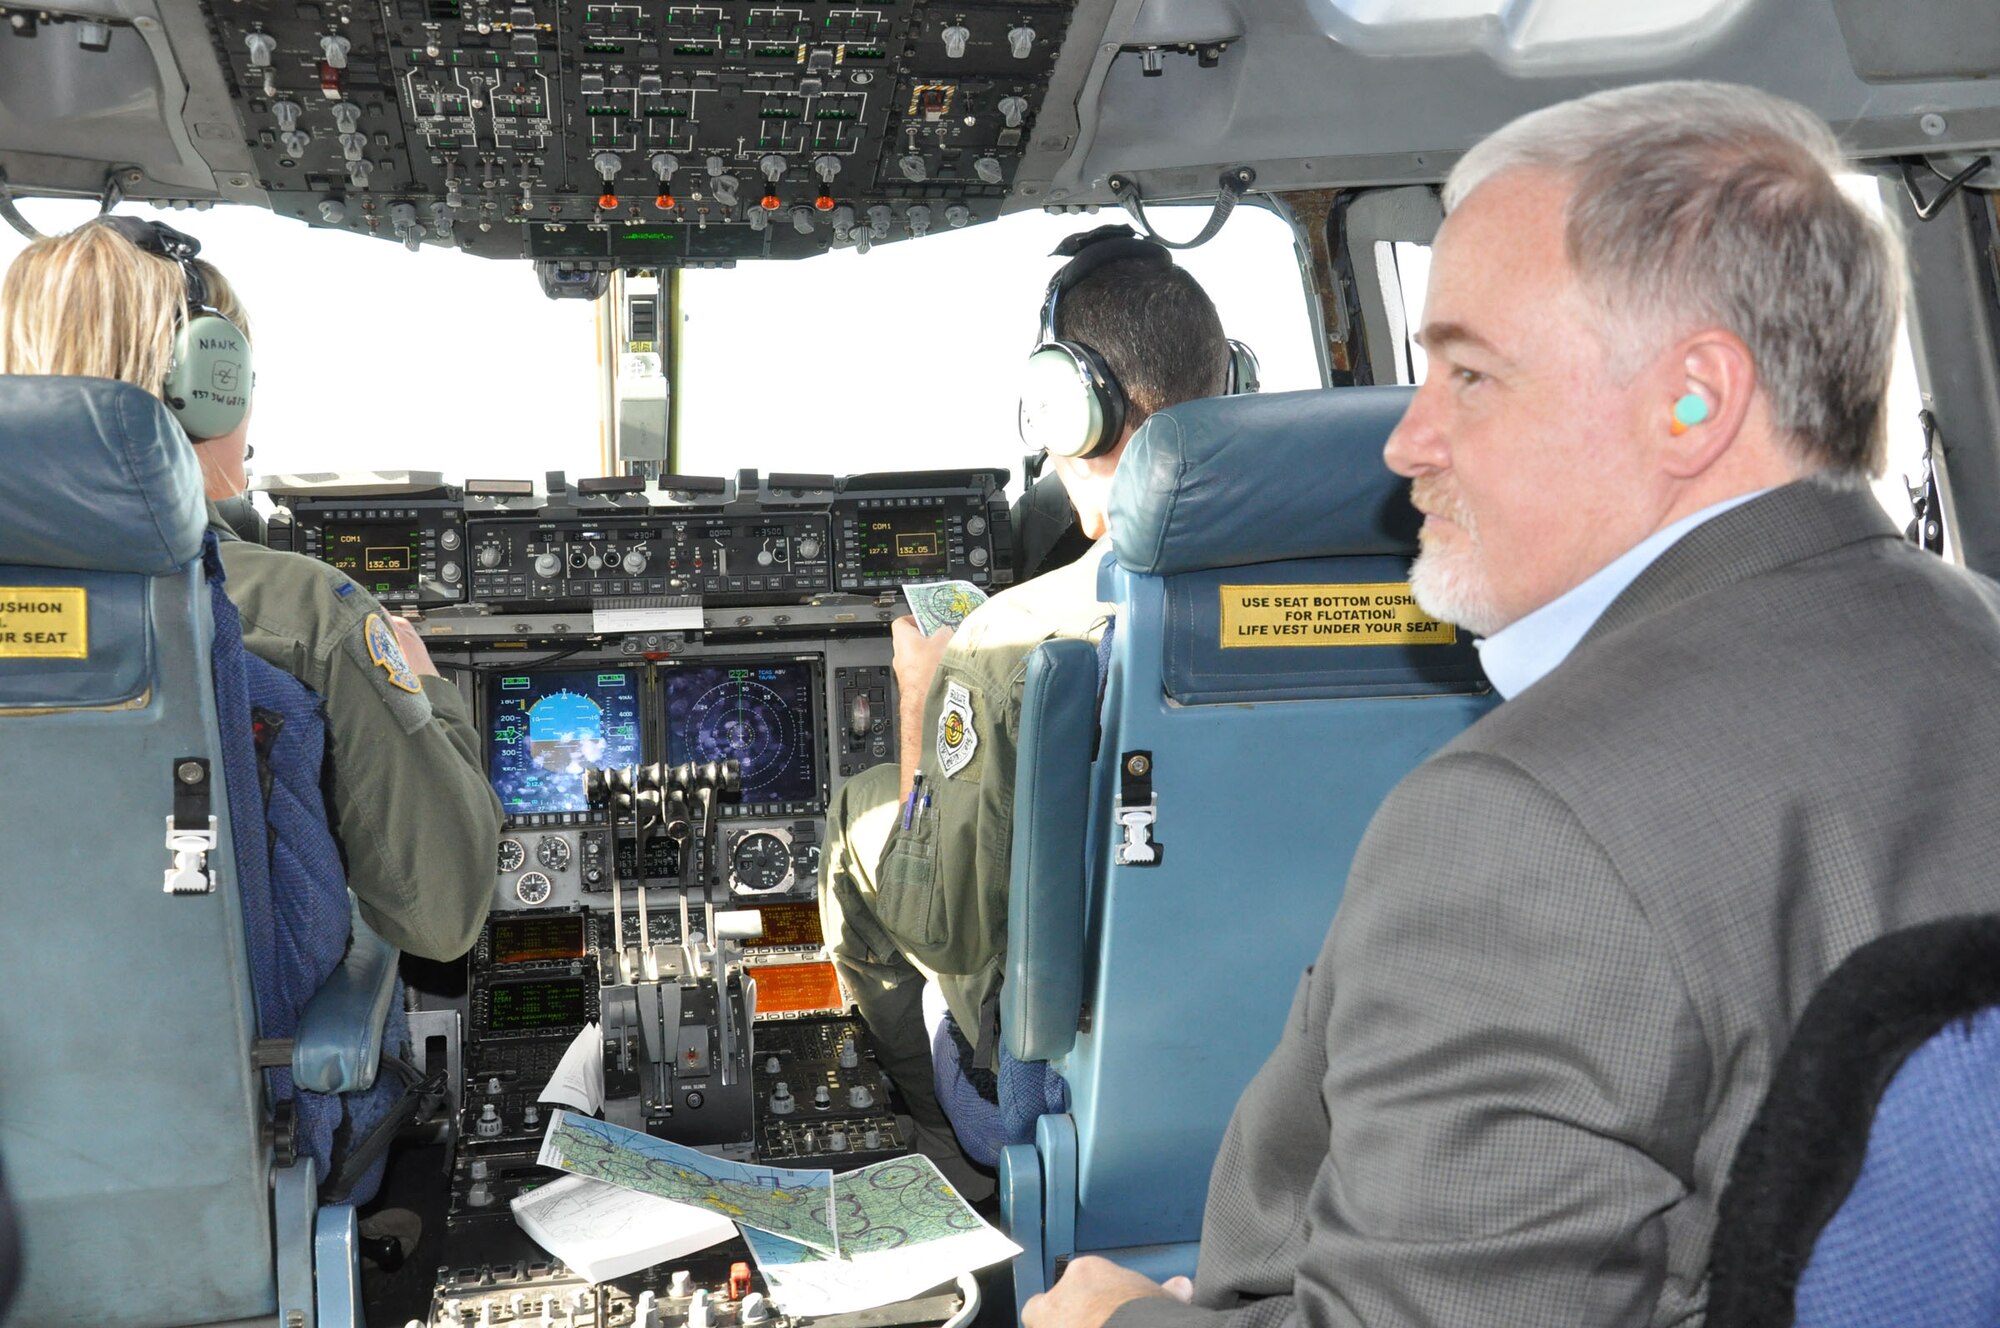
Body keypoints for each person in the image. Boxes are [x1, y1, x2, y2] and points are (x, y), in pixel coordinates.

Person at [1024, 79, 2000, 1328]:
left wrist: (1115, 1322)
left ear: (1692, 399)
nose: (1404, 440)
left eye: (1469, 376)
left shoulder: (1523, 830)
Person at [821, 226, 1230, 1189]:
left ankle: (944, 1134)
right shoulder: (1387, 601)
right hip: (1286, 1053)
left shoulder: (1010, 639)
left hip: (1070, 1086)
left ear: (1069, 407)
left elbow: (945, 929)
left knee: (861, 815)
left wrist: (923, 708)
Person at [0, 218, 500, 960]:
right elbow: (442, 913)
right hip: (234, 1071)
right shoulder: (304, 614)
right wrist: (429, 691)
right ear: (203, 389)